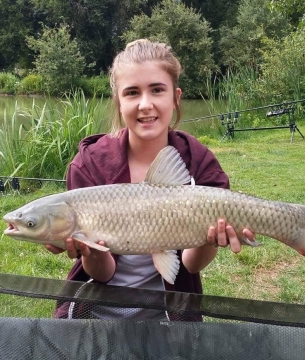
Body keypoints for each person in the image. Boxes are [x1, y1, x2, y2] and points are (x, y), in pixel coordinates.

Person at [46, 39, 255, 319]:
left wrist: (209, 241)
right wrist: (90, 251)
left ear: (175, 97)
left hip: (172, 310)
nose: (145, 104)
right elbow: (102, 272)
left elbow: (190, 266)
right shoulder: (89, 164)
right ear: (119, 102)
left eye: (157, 90)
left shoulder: (199, 160)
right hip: (96, 306)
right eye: (132, 93)